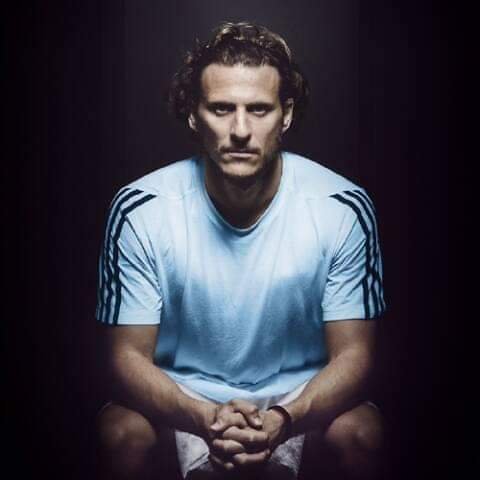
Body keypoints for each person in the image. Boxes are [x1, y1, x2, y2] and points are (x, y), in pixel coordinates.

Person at [95, 21, 386, 480]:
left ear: (285, 115)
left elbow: (356, 355)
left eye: (259, 109)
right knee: (121, 433)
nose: (240, 130)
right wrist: (204, 417)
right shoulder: (141, 209)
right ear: (194, 115)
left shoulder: (341, 207)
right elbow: (124, 357)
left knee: (362, 433)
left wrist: (284, 419)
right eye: (221, 108)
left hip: (299, 399)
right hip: (182, 398)